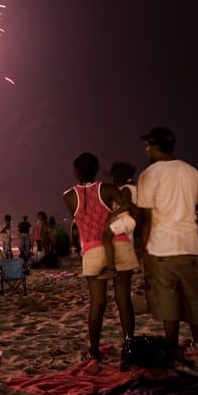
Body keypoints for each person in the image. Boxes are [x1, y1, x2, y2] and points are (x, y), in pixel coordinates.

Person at [137, 126, 198, 357]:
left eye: (148, 144)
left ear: (156, 145)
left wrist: (144, 250)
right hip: (188, 245)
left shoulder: (149, 175)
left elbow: (147, 217)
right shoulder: (191, 171)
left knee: (167, 298)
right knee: (192, 296)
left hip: (161, 246)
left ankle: (172, 345)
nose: (145, 148)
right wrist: (197, 232)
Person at [63, 152, 138, 361]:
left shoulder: (68, 197)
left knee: (97, 303)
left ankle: (94, 349)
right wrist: (115, 213)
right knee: (123, 299)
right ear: (96, 170)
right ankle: (129, 344)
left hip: (93, 251)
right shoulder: (107, 188)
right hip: (120, 245)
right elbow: (127, 203)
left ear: (76, 171)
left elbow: (78, 219)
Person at [101, 161, 139, 276]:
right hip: (130, 220)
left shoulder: (126, 189)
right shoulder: (132, 187)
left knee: (106, 236)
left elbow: (127, 204)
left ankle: (111, 268)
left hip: (127, 219)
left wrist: (113, 214)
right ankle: (130, 267)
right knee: (129, 246)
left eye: (113, 176)